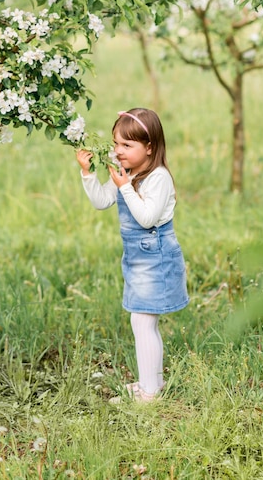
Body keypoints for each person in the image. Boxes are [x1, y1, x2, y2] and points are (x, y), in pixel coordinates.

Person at [76, 108, 189, 403]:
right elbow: (102, 201)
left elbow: (147, 219)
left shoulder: (158, 178)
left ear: (149, 147)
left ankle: (150, 392)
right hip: (138, 260)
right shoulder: (129, 174)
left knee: (142, 321)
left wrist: (125, 187)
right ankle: (152, 383)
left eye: (127, 145)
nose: (118, 151)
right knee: (141, 321)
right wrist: (88, 174)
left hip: (157, 259)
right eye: (116, 144)